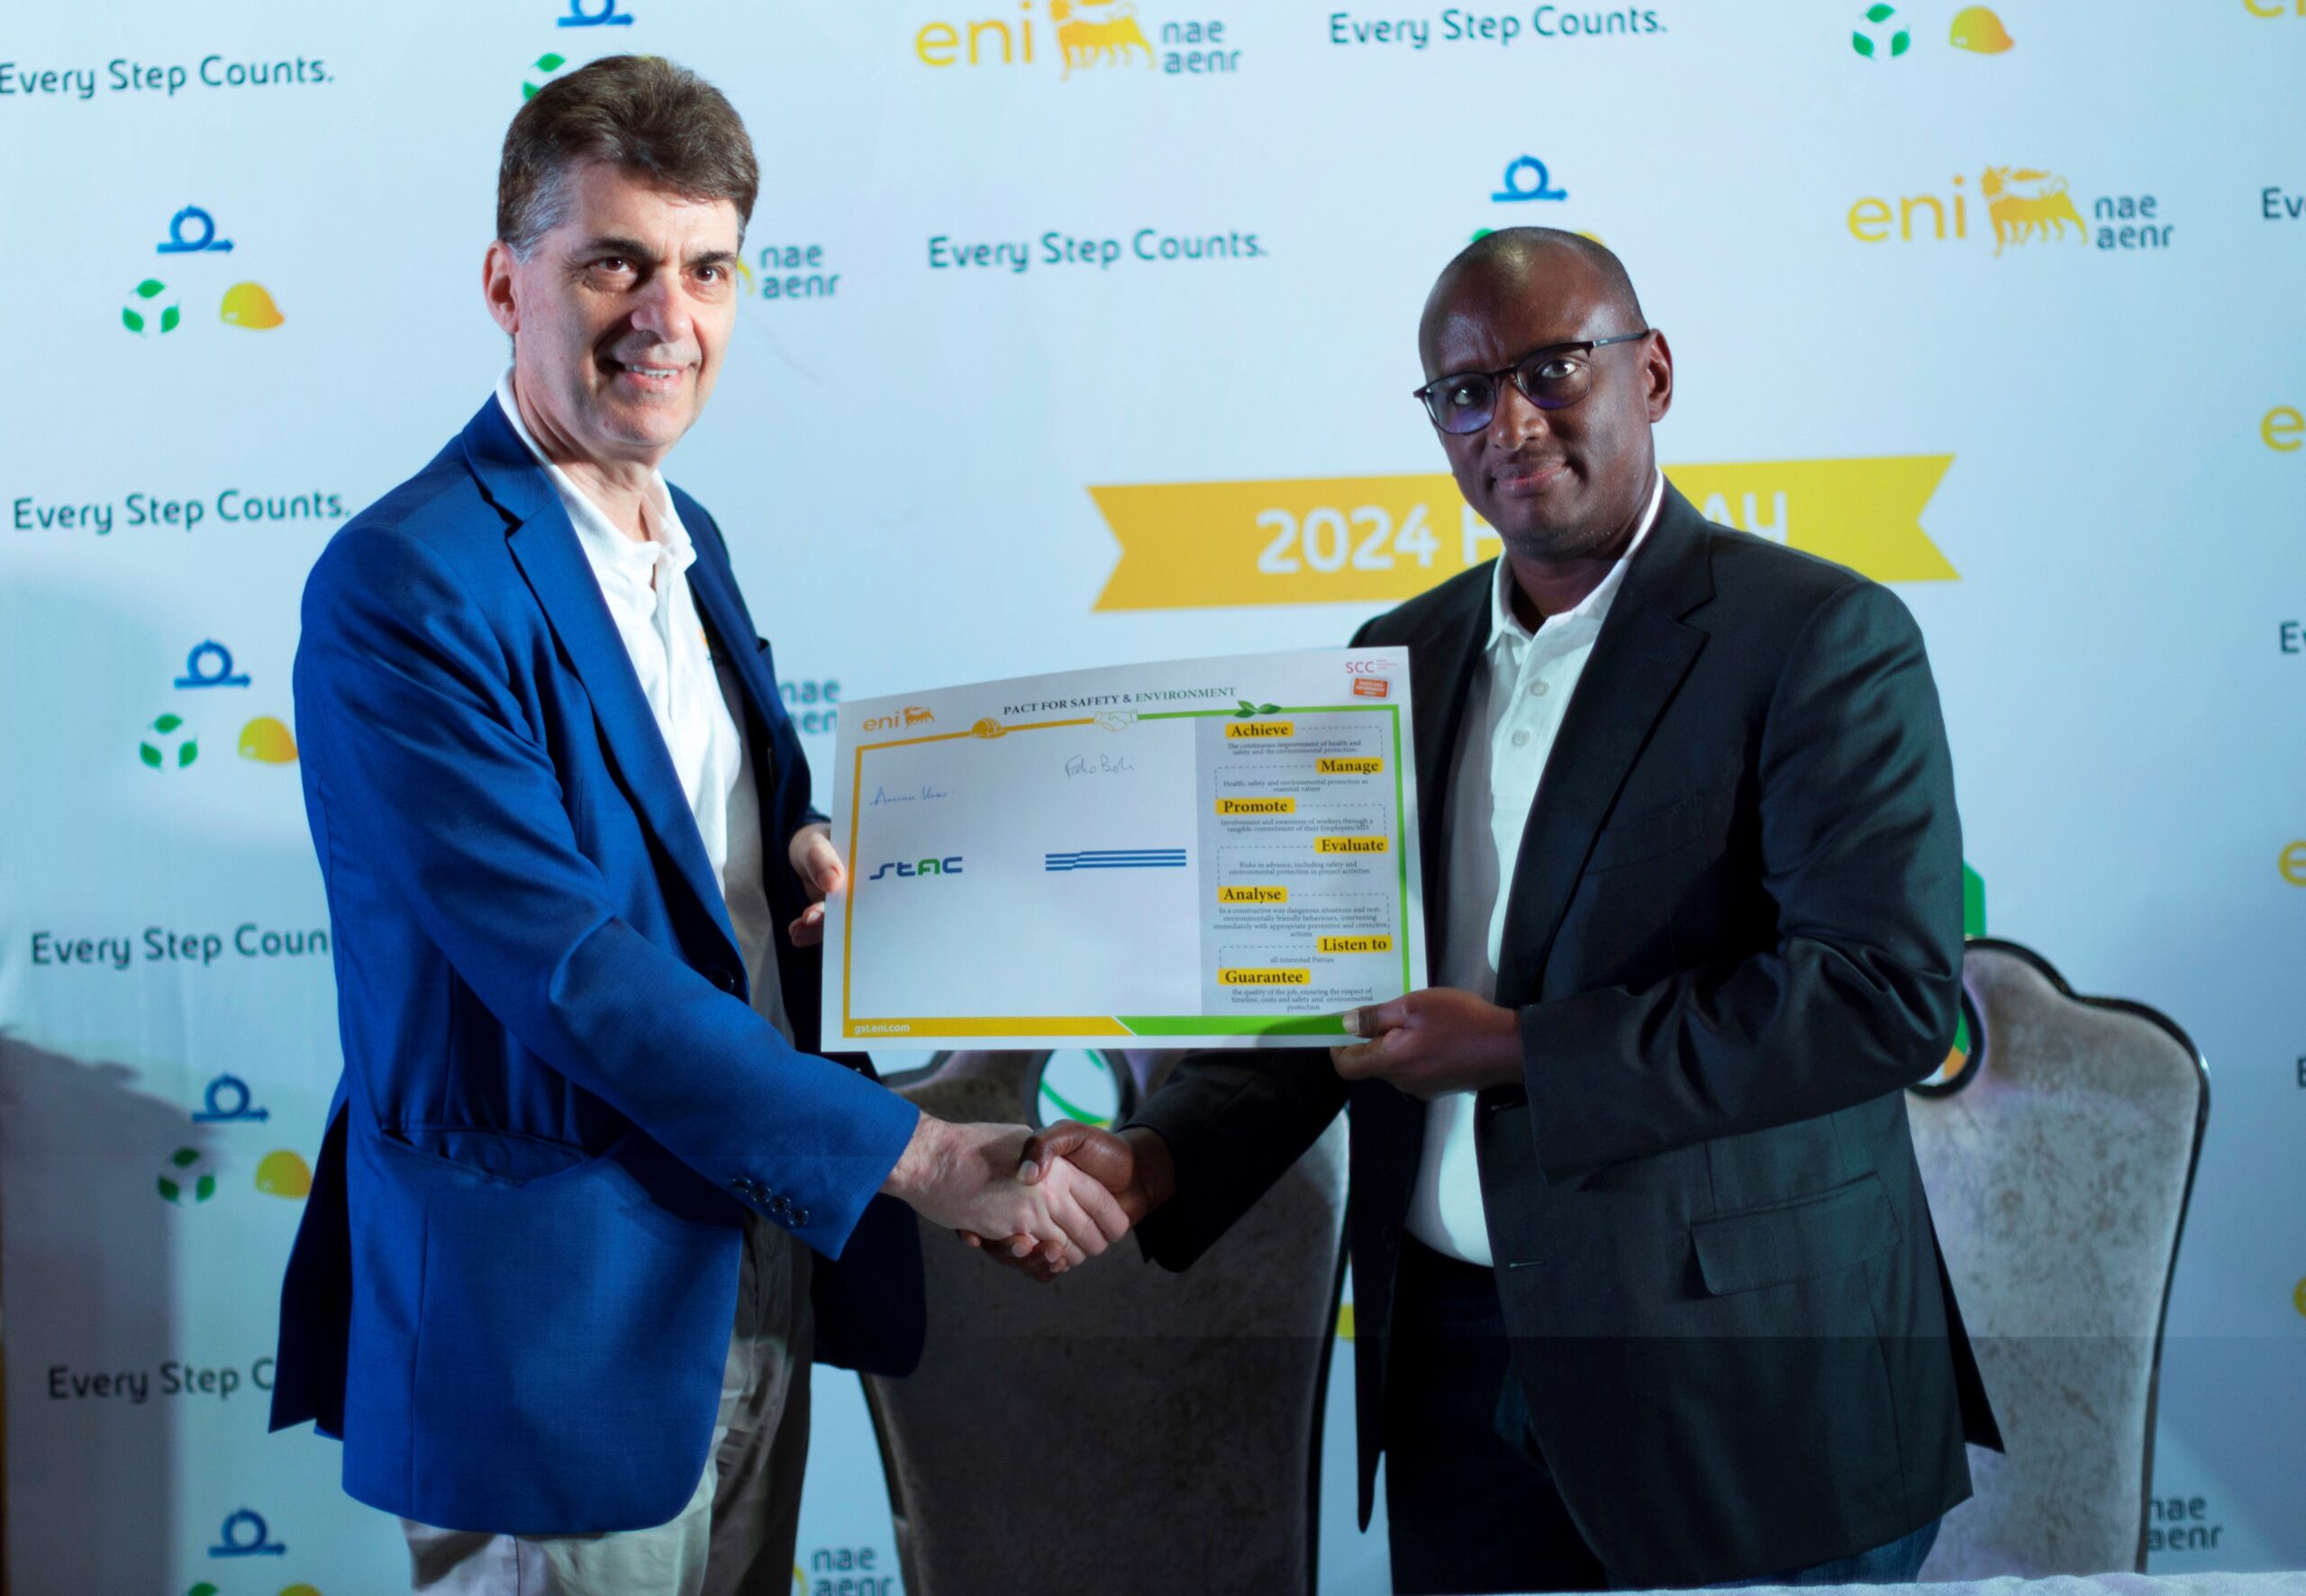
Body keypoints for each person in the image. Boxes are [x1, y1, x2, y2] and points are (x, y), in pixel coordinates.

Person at [987, 227, 2002, 1591]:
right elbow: (1327, 995)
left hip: (1747, 1387)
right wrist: (1156, 1158)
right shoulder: (1392, 658)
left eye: (1551, 369)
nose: (1508, 422)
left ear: (1653, 374)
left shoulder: (1820, 639)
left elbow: (1880, 997)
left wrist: (1519, 1050)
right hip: (1452, 1373)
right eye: (1465, 392)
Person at [267, 56, 1122, 1596]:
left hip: (755, 1256)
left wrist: (800, 852)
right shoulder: (407, 580)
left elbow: (690, 851)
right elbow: (570, 969)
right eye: (615, 264)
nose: (668, 316)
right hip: (554, 1326)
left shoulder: (688, 533)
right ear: (505, 281)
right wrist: (922, 1156)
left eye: (707, 268)